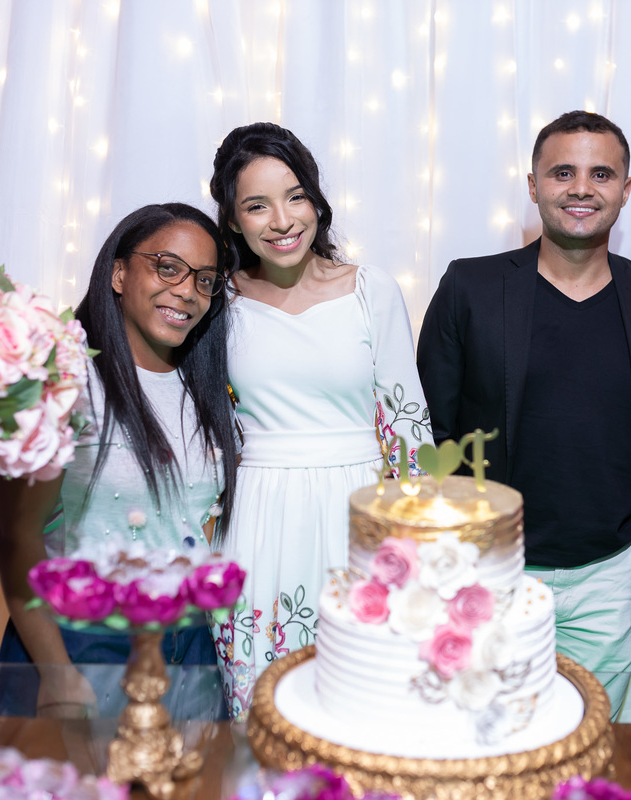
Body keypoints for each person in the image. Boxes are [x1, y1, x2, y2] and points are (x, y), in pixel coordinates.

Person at [417, 111, 631, 718]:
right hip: (493, 571)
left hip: (610, 578)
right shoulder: (470, 288)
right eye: (563, 172)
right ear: (533, 185)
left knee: (589, 739)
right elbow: (430, 433)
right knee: (490, 737)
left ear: (625, 189)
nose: (581, 188)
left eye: (601, 174)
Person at [208, 122, 430, 718]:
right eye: (257, 205)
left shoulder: (371, 290)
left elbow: (408, 428)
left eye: (296, 196)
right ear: (233, 220)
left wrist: (419, 539)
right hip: (257, 515)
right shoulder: (217, 302)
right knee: (263, 708)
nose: (282, 221)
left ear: (317, 201)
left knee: (362, 701)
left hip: (359, 510)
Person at [0, 203, 238, 718]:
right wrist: (58, 675)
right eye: (167, 268)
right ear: (119, 273)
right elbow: (16, 538)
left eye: (205, 280)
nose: (187, 291)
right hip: (81, 642)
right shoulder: (64, 380)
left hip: (191, 645)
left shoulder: (207, 388)